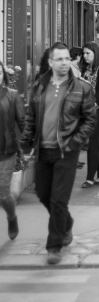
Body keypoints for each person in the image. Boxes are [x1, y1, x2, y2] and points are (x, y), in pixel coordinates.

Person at [20, 42, 96, 265]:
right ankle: (67, 223)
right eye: (59, 59)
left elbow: (90, 120)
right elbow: (31, 118)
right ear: (51, 62)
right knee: (44, 194)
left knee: (58, 199)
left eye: (67, 58)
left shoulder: (82, 88)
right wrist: (25, 146)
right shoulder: (39, 86)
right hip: (43, 150)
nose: (65, 62)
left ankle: (54, 246)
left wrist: (75, 142)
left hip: (66, 151)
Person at [81, 41, 99, 188]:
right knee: (95, 143)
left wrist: (92, 106)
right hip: (86, 110)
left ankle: (89, 178)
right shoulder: (85, 68)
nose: (85, 56)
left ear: (95, 53)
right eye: (84, 53)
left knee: (92, 141)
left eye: (88, 53)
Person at [0, 61, 25, 241]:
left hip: (5, 151)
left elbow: (22, 122)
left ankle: (11, 217)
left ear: (3, 75)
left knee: (2, 193)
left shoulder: (12, 95)